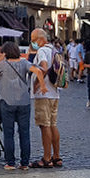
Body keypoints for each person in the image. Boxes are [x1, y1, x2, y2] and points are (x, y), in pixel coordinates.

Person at [0, 41, 44, 171]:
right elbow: (38, 71)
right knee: (24, 133)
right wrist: (42, 86)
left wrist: (1, 56)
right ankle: (24, 163)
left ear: (6, 53)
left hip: (7, 101)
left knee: (8, 133)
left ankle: (10, 162)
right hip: (23, 101)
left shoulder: (3, 65)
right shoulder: (24, 63)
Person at [29, 28, 62, 169]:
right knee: (53, 124)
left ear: (40, 39)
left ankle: (46, 158)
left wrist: (38, 83)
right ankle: (57, 156)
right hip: (54, 93)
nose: (32, 43)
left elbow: (44, 66)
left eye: (33, 39)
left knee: (45, 125)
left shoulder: (42, 51)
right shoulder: (54, 50)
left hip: (44, 94)